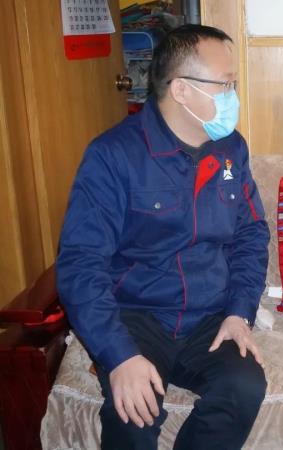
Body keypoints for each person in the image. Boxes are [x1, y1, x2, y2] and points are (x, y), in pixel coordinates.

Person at [56, 24, 269, 450]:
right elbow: (80, 264)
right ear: (182, 90)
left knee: (244, 385)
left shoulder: (231, 149)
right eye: (226, 84)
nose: (233, 96)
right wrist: (118, 355)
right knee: (133, 417)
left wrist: (238, 313)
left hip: (209, 316)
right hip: (137, 315)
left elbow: (250, 234)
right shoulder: (113, 155)